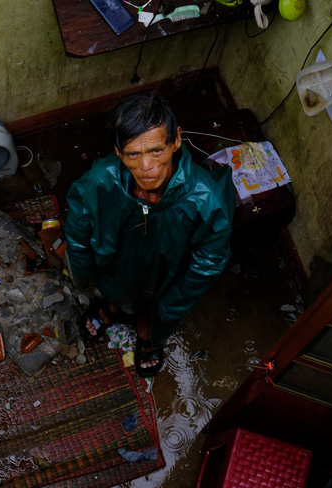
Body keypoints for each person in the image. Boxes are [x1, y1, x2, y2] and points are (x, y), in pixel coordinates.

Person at [65, 93, 235, 378]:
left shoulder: (206, 200)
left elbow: (208, 261)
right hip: (119, 259)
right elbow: (78, 221)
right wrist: (82, 266)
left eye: (156, 151)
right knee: (118, 281)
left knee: (158, 300)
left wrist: (170, 308)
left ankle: (147, 324)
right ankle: (114, 304)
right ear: (119, 153)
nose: (146, 167)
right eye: (133, 154)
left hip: (167, 269)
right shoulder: (101, 179)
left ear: (176, 141)